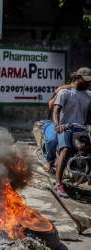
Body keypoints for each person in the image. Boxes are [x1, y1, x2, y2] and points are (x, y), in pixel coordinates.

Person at [52, 67, 91, 197]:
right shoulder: (65, 93)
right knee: (66, 150)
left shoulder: (89, 95)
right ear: (78, 78)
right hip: (65, 127)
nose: (88, 83)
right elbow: (56, 110)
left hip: (82, 129)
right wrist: (57, 125)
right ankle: (58, 184)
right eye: (86, 80)